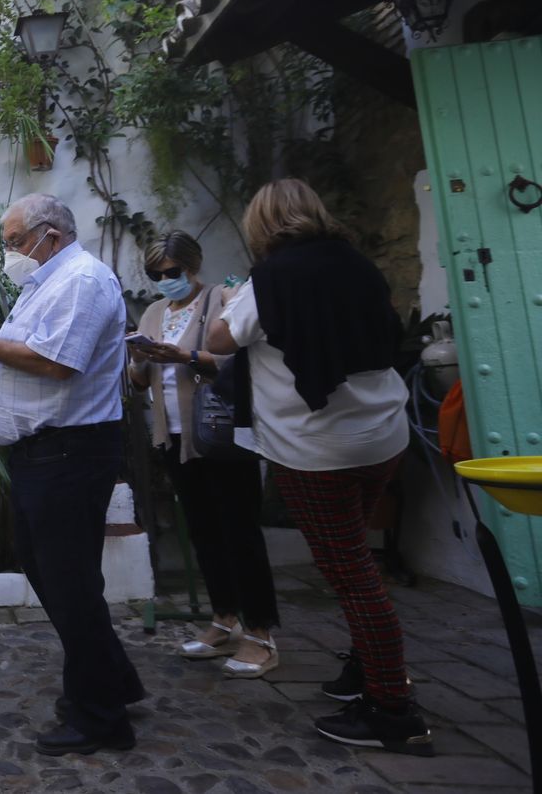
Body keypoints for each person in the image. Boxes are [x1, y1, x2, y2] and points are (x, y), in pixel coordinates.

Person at [207, 179, 432, 756]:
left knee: (351, 575)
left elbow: (220, 339)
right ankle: (368, 671)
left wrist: (232, 300)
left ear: (261, 224)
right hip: (383, 436)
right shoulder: (358, 265)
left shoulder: (270, 279)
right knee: (356, 560)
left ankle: (392, 710)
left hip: (317, 449)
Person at [0, 194, 144, 756]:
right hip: (45, 455)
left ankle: (101, 718)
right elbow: (31, 348)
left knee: (69, 583)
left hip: (69, 453)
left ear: (49, 235)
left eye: (13, 241)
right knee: (53, 574)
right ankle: (113, 681)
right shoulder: (45, 283)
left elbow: (56, 364)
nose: (8, 252)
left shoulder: (81, 279)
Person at [128, 231, 280, 677]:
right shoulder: (154, 311)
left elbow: (236, 361)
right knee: (204, 532)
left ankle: (261, 632)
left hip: (221, 435)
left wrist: (186, 356)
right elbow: (140, 381)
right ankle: (224, 619)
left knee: (240, 532)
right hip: (175, 436)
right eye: (155, 274)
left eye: (171, 272)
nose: (164, 280)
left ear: (192, 266)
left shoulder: (222, 299)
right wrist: (139, 358)